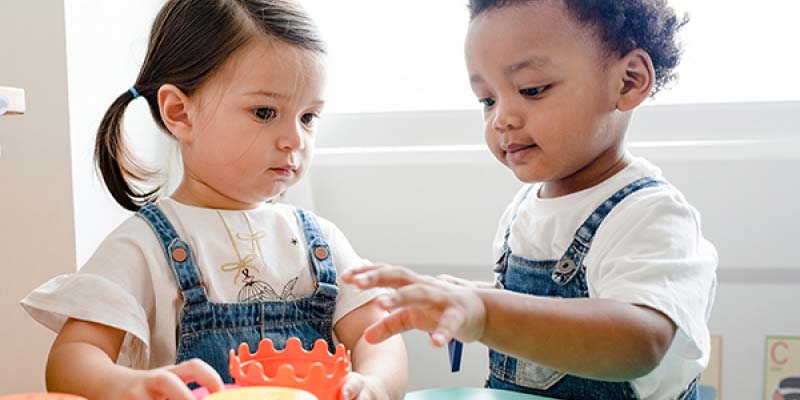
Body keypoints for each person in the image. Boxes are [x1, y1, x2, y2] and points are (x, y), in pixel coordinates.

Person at [21, 1, 407, 399]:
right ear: (180, 113)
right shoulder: (143, 245)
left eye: (308, 117)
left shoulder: (320, 241)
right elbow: (72, 358)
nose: (294, 139)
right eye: (264, 111)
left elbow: (378, 335)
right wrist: (127, 384)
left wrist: (375, 384)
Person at [342, 1, 716, 399]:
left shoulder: (650, 215)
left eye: (532, 89)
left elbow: (641, 342)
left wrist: (486, 312)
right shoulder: (523, 209)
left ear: (627, 81)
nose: (501, 118)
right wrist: (470, 296)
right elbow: (542, 305)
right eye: (487, 99)